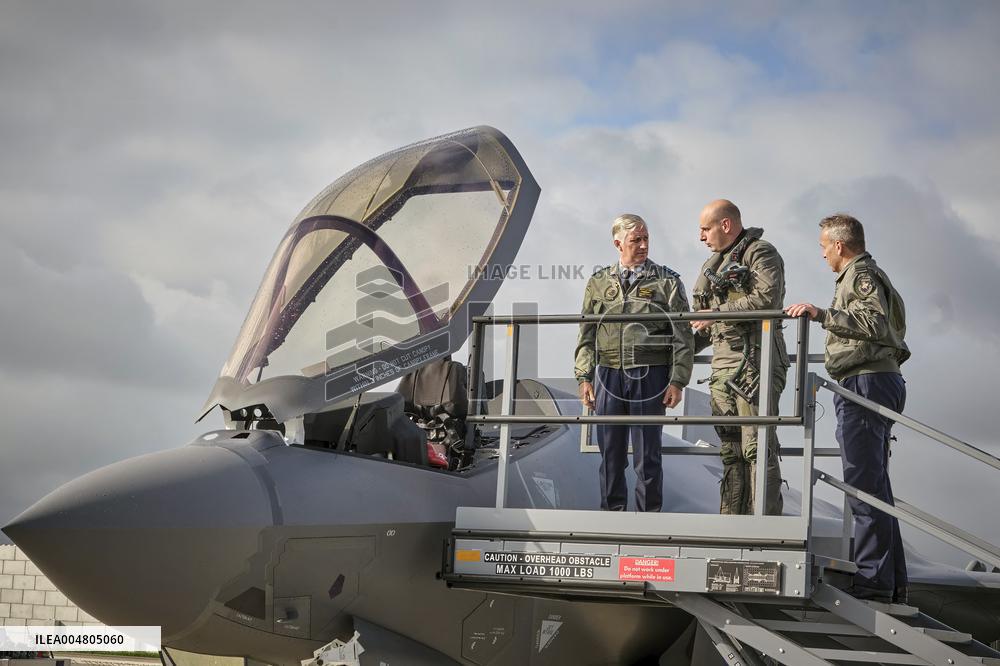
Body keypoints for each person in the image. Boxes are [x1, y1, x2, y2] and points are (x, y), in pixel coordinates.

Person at [786, 213, 910, 602]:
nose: (822, 255)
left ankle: (874, 583)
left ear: (839, 246)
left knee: (863, 486)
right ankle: (890, 582)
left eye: (824, 246)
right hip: (871, 380)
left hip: (866, 381)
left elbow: (873, 324)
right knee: (874, 487)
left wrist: (821, 314)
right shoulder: (861, 275)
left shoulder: (861, 276)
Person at [574, 214, 694, 512]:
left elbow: (682, 335)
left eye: (646, 239)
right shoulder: (598, 282)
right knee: (610, 452)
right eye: (635, 240)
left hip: (650, 374)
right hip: (608, 374)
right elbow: (586, 333)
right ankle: (612, 514)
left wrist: (678, 380)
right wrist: (584, 377)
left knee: (647, 454)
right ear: (618, 243)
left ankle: (647, 519)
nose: (643, 245)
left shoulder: (667, 281)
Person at [691, 199, 789, 516]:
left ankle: (765, 528)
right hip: (722, 370)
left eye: (706, 229)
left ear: (726, 225)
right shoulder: (711, 268)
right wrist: (674, 357)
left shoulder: (761, 253)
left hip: (755, 364)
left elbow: (766, 299)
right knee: (731, 451)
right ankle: (732, 524)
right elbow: (702, 327)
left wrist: (716, 313)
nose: (702, 237)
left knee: (757, 447)